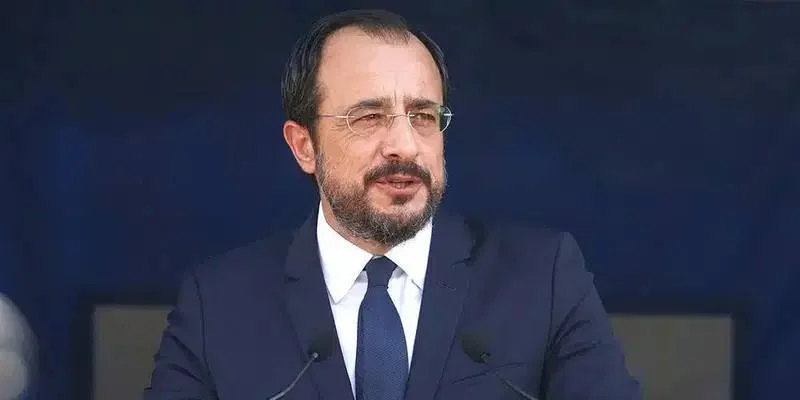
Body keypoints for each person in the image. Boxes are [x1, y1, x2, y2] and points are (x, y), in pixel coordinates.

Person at [145, 9, 641, 400]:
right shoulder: (219, 304)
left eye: (423, 116)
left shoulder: (543, 278)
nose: (404, 145)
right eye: (369, 117)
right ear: (304, 146)